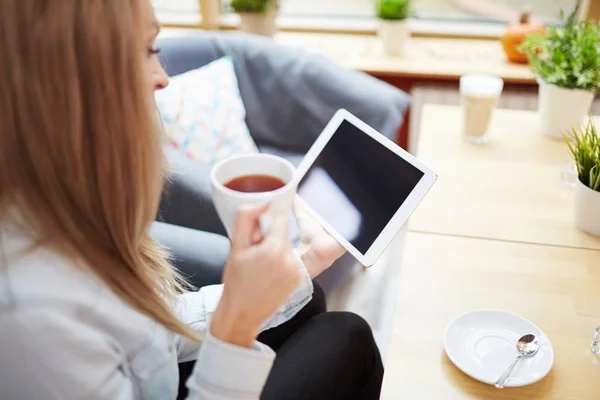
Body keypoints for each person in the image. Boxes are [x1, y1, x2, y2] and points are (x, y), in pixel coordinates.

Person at [0, 0, 384, 399]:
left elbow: (151, 333)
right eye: (148, 50)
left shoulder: (63, 207)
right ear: (72, 85)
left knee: (309, 297)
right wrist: (234, 327)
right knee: (348, 336)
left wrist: (307, 260)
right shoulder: (28, 316)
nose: (163, 78)